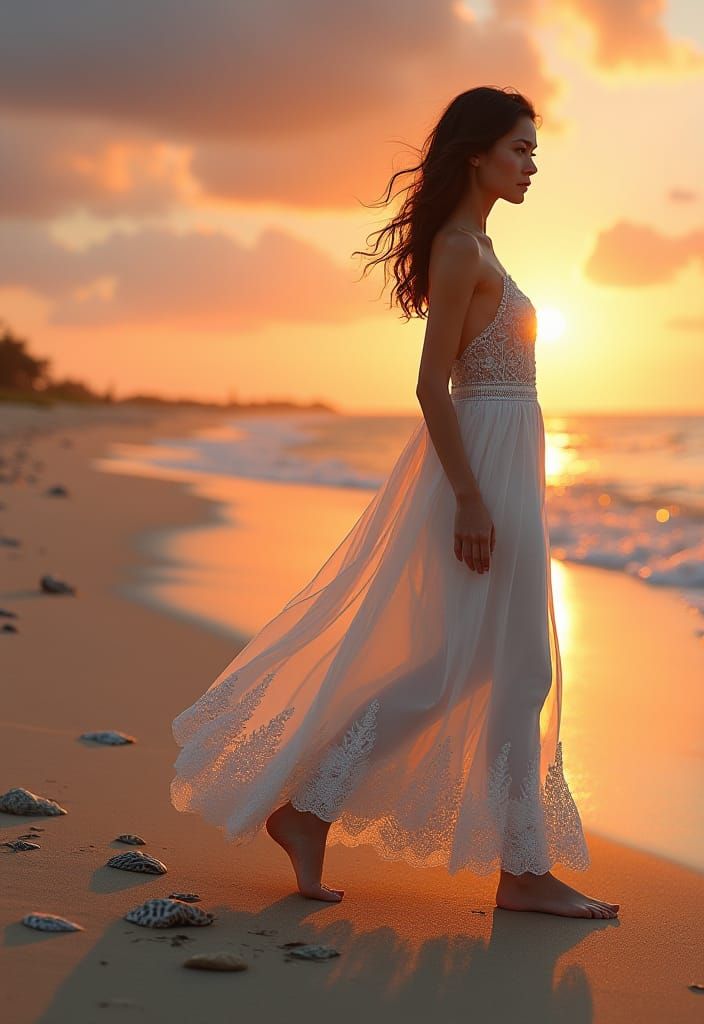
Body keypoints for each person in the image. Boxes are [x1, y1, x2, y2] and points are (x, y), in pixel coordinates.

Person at [170, 86, 619, 920]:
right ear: (477, 152)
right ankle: (510, 868)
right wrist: (472, 501)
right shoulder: (460, 248)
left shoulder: (480, 244)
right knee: (507, 669)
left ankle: (316, 815)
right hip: (482, 473)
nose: (530, 167)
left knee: (493, 668)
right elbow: (430, 384)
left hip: (506, 469)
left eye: (534, 153)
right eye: (520, 150)